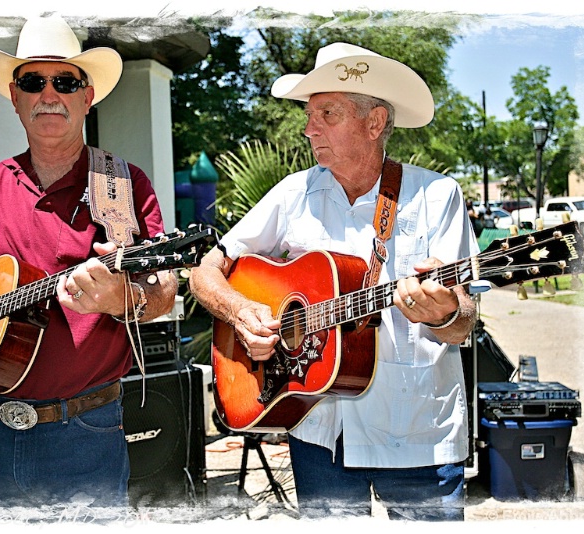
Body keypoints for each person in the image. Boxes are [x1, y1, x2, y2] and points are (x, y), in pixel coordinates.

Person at [0, 15, 178, 512]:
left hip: (88, 432)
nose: (50, 94)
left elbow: (164, 290)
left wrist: (122, 298)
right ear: (15, 97)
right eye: (33, 81)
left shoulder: (123, 186)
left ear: (87, 97)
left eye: (65, 81)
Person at [188, 42, 479, 520]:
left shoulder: (435, 195)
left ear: (375, 122)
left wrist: (445, 312)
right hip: (317, 430)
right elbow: (205, 270)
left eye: (326, 113)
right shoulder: (294, 192)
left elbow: (463, 322)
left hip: (416, 437)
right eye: (309, 115)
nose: (308, 129)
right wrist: (243, 313)